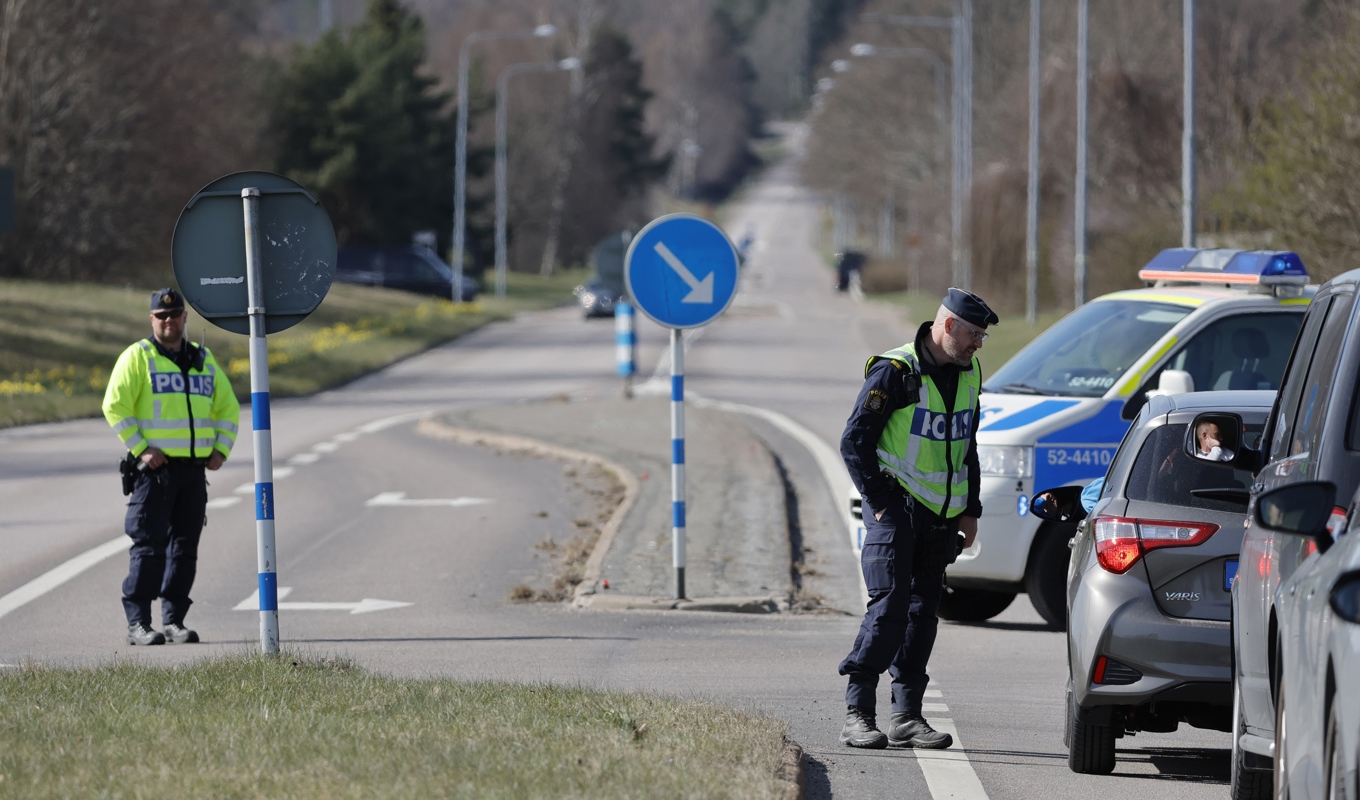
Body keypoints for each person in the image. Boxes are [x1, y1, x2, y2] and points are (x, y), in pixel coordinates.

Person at [837, 287, 998, 749]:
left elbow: (966, 447)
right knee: (888, 610)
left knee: (922, 615)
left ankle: (906, 716)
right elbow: (855, 443)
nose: (978, 344)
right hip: (897, 509)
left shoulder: (968, 373)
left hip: (941, 517)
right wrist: (882, 500)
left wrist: (970, 511)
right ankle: (857, 713)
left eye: (982, 337)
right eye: (973, 334)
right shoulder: (895, 372)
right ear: (946, 326)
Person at [102, 288, 239, 646]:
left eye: (174, 314)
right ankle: (138, 623)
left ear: (184, 318)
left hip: (193, 473)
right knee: (148, 548)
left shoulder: (203, 359)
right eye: (161, 316)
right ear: (151, 320)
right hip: (155, 474)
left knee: (184, 549)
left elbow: (228, 409)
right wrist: (142, 448)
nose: (168, 321)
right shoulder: (138, 357)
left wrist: (220, 450)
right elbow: (115, 406)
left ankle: (174, 620)